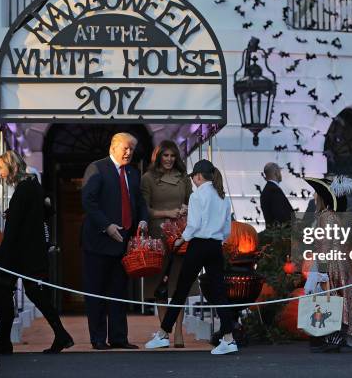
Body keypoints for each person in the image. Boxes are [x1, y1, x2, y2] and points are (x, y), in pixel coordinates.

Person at [0, 150, 73, 355]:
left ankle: (7, 342)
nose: (0, 173)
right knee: (30, 293)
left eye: (1, 168)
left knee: (8, 292)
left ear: (11, 167)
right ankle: (60, 335)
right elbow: (44, 211)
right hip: (29, 252)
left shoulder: (24, 189)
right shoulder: (33, 186)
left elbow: (14, 229)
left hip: (20, 253)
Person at [145, 159, 236, 355]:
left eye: (194, 177)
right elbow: (227, 230)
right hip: (215, 246)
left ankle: (162, 334)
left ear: (199, 176)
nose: (193, 181)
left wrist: (180, 240)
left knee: (181, 290)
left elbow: (194, 225)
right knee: (219, 291)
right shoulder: (223, 197)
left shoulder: (197, 196)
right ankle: (229, 338)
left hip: (198, 245)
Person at [81, 132, 149, 350]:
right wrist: (107, 226)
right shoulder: (97, 168)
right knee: (97, 292)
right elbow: (88, 201)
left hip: (123, 243)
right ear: (113, 147)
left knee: (119, 292)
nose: (129, 152)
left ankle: (119, 337)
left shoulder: (133, 172)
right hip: (98, 243)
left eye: (132, 149)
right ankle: (98, 338)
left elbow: (139, 201)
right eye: (125, 148)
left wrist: (144, 220)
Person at [303, 175, 352, 352]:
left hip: (330, 263)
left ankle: (334, 338)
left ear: (322, 197)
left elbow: (325, 246)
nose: (313, 196)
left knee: (331, 299)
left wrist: (321, 272)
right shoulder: (328, 216)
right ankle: (332, 337)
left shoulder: (326, 217)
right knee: (334, 299)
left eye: (316, 193)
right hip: (335, 262)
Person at [141, 140, 192, 348]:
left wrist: (184, 209)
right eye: (165, 155)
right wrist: (167, 213)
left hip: (181, 237)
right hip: (158, 238)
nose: (169, 159)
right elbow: (145, 209)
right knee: (159, 288)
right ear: (158, 156)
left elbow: (191, 201)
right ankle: (164, 333)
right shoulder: (148, 178)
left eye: (172, 156)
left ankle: (178, 333)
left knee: (179, 287)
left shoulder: (184, 178)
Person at [260, 162, 293, 228]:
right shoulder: (274, 190)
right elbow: (281, 215)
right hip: (281, 235)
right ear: (276, 173)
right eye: (280, 172)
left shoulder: (267, 190)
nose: (281, 174)